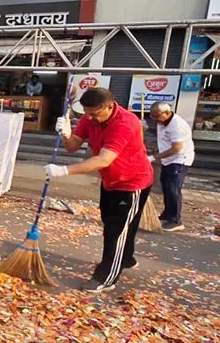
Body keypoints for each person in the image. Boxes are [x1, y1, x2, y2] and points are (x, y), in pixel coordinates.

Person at [46, 87, 153, 293]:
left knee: (116, 230)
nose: (90, 118)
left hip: (132, 182)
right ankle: (126, 258)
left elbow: (104, 159)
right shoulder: (90, 118)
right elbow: (73, 146)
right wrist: (67, 134)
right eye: (86, 113)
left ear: (109, 107)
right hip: (110, 180)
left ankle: (107, 277)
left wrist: (64, 170)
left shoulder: (125, 123)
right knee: (116, 222)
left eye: (94, 114)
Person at [149, 101, 195, 232]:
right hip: (168, 159)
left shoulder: (177, 126)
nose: (155, 119)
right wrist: (146, 128)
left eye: (156, 116)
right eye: (152, 116)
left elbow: (176, 148)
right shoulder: (162, 121)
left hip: (179, 159)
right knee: (166, 186)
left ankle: (176, 220)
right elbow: (162, 135)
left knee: (173, 188)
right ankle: (167, 214)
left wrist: (154, 157)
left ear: (167, 113)